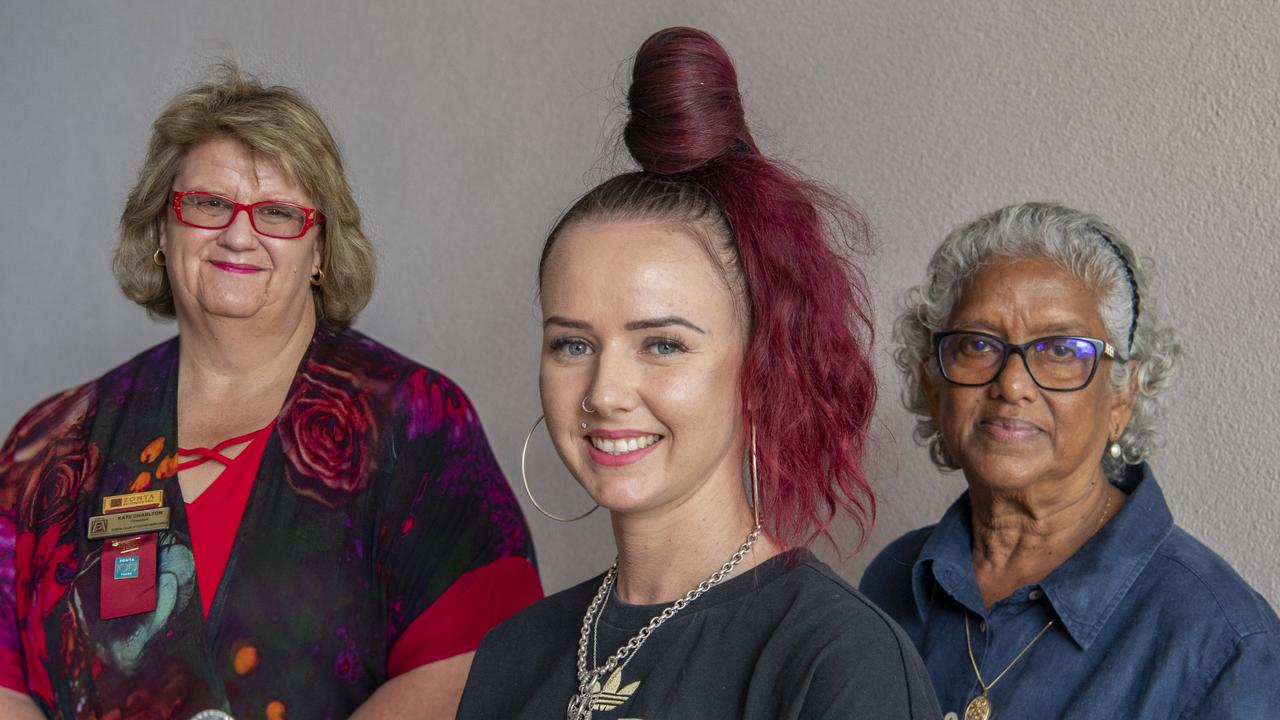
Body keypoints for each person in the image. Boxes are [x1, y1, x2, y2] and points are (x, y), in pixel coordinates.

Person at [0, 67, 542, 719]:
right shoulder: (53, 442)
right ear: (161, 230)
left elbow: (476, 661)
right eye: (207, 204)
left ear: (318, 249)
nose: (237, 234)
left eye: (278, 213)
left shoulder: (416, 421)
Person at [458, 27, 941, 720]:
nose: (604, 393)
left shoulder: (840, 662)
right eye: (572, 345)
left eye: (662, 345)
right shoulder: (513, 654)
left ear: (759, 367)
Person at [861, 202, 1280, 718]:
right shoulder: (891, 581)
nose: (1011, 384)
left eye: (1061, 351)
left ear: (1124, 395)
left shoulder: (1225, 647)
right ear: (933, 383)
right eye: (976, 343)